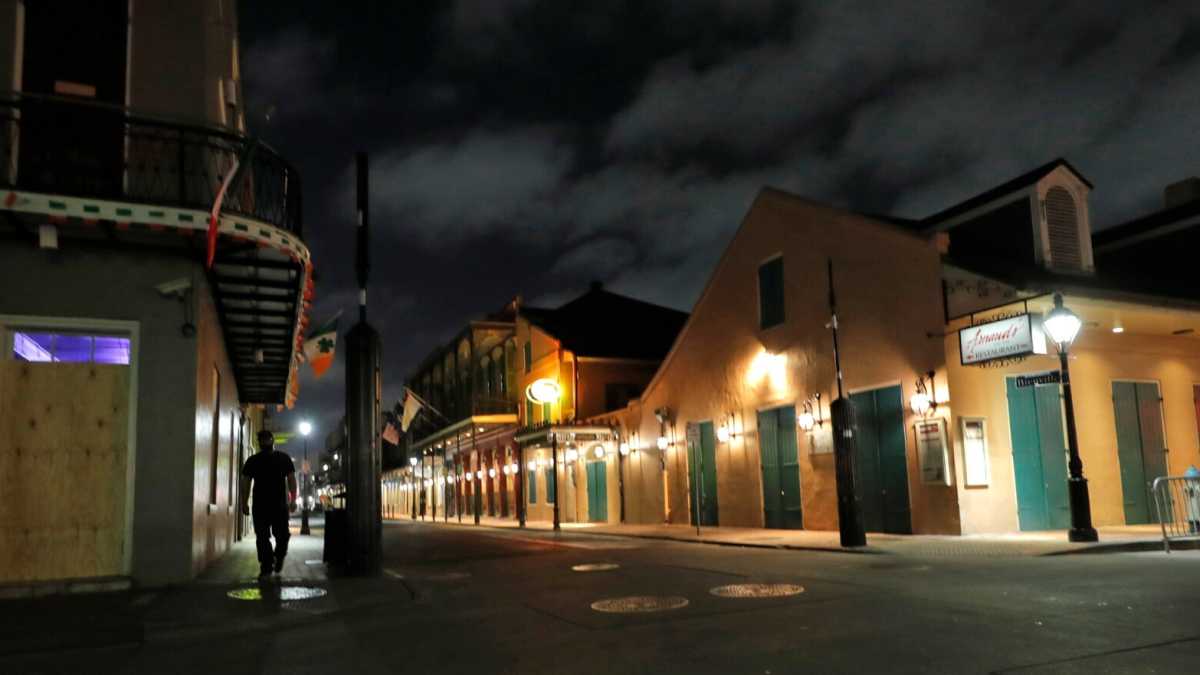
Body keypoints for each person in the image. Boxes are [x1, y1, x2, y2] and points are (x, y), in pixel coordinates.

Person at [241, 429, 298, 578]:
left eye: (267, 439)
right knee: (262, 536)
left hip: (279, 505)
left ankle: (278, 556)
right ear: (259, 442)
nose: (265, 442)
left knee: (283, 535)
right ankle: (266, 564)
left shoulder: (283, 458)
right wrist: (244, 502)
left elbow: (292, 479)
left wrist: (293, 499)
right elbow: (246, 482)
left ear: (273, 440)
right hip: (260, 506)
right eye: (262, 439)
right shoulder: (253, 461)